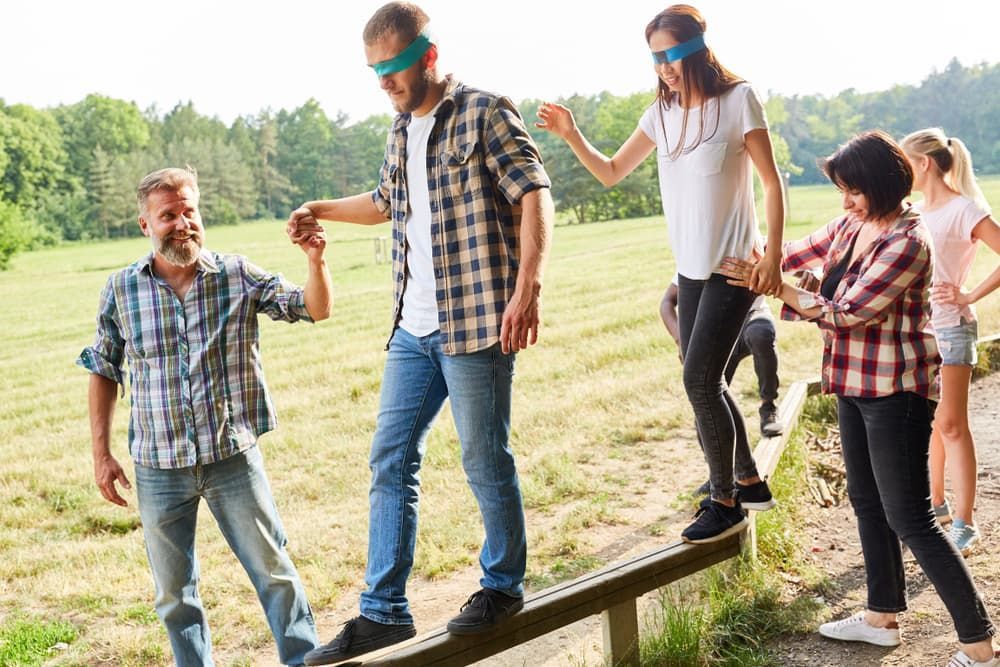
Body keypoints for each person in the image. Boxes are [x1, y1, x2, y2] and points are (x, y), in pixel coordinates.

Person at [285, 3, 554, 663]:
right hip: (413, 327)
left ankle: (502, 586)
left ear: (428, 56)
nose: (385, 82)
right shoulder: (399, 130)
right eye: (375, 71)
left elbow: (533, 193)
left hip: (476, 319)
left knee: (483, 457)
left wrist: (528, 285)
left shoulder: (488, 111)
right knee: (389, 457)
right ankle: (383, 612)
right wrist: (318, 208)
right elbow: (384, 202)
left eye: (395, 68)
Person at [722, 131, 998, 666]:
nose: (844, 201)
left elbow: (848, 310)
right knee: (867, 502)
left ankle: (979, 645)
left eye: (852, 190)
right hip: (850, 381)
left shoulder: (908, 242)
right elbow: (796, 251)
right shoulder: (857, 222)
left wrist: (779, 288)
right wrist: (750, 258)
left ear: (880, 184)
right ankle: (881, 616)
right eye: (841, 191)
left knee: (912, 517)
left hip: (895, 392)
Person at [536, 3, 785, 543]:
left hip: (733, 269)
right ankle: (747, 479)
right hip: (689, 272)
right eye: (654, 58)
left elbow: (771, 182)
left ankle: (725, 501)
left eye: (670, 54)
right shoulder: (660, 114)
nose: (663, 66)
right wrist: (571, 133)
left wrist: (774, 256)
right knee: (708, 382)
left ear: (696, 46)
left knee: (698, 381)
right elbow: (610, 172)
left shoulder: (739, 99)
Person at [77, 167, 331, 666]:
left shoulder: (237, 274)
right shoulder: (122, 289)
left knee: (274, 573)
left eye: (188, 211)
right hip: (158, 467)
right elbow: (103, 369)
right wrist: (101, 454)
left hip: (232, 457)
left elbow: (314, 309)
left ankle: (303, 661)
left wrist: (316, 262)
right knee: (174, 595)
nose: (181, 223)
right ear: (145, 225)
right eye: (167, 215)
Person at [901, 128, 1000, 556]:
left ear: (924, 164)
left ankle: (966, 523)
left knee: (953, 425)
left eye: (905, 162)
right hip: (921, 332)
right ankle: (936, 506)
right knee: (934, 423)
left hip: (953, 327)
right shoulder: (916, 212)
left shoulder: (964, 210)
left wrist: (968, 294)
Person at [661, 275, 782, 439]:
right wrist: (681, 340)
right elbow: (666, 302)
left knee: (760, 334)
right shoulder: (697, 260)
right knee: (707, 403)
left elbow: (799, 258)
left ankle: (768, 407)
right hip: (719, 329)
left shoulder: (745, 249)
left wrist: (815, 273)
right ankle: (727, 460)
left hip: (752, 317)